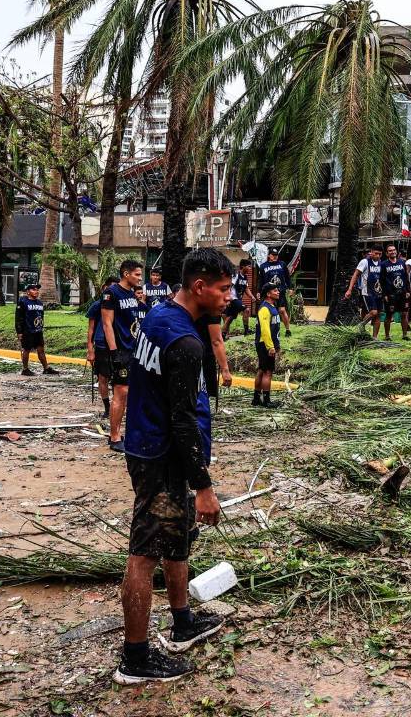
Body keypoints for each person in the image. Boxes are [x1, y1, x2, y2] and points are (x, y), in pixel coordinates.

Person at [114, 248, 234, 685]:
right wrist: (203, 485)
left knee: (177, 535)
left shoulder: (161, 315)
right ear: (199, 287)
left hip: (154, 446)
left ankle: (182, 622)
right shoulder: (183, 343)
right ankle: (136, 658)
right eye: (223, 289)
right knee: (145, 553)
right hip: (163, 455)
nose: (229, 297)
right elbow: (182, 418)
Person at [101, 260, 145, 453]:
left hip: (135, 349)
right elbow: (107, 324)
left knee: (132, 393)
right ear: (126, 274)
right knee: (121, 392)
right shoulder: (111, 293)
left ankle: (125, 433)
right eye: (137, 274)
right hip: (121, 351)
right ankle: (114, 436)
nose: (140, 278)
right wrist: (114, 352)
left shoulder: (131, 295)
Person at [87, 276, 121, 418]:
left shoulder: (121, 304)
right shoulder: (97, 306)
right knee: (103, 377)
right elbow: (91, 329)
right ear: (104, 288)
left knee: (120, 379)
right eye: (111, 288)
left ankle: (117, 405)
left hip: (119, 344)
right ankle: (107, 407)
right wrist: (90, 349)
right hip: (102, 345)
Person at [16, 282, 58, 376]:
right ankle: (25, 369)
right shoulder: (23, 302)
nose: (36, 291)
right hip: (27, 330)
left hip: (38, 330)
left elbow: (41, 315)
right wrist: (19, 331)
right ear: (28, 291)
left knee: (41, 349)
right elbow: (18, 318)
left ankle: (46, 368)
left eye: (37, 289)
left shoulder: (39, 303)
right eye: (33, 289)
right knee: (26, 349)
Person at [253, 283, 281, 408]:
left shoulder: (272, 306)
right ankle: (266, 400)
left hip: (268, 343)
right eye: (275, 290)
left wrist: (276, 344)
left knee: (262, 370)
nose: (278, 292)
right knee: (267, 372)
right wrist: (270, 346)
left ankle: (256, 398)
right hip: (264, 344)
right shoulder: (265, 308)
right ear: (268, 294)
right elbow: (265, 330)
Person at [345, 248, 383, 338]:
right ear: (371, 252)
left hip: (379, 292)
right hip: (367, 292)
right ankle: (361, 325)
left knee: (378, 315)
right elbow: (355, 275)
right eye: (376, 253)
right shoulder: (365, 262)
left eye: (380, 254)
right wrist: (349, 289)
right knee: (373, 312)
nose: (377, 256)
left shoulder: (381, 263)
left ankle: (375, 338)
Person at [379, 244, 411, 341]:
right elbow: (381, 280)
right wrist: (384, 294)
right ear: (387, 253)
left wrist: (408, 290)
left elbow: (406, 277)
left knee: (404, 314)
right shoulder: (384, 264)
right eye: (390, 251)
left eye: (394, 250)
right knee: (389, 315)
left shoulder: (402, 262)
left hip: (402, 292)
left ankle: (405, 335)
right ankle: (387, 336)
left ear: (396, 252)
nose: (392, 252)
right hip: (390, 294)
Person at [258, 248, 293, 336]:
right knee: (269, 311)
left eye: (276, 255)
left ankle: (288, 330)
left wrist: (290, 288)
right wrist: (259, 291)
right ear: (269, 255)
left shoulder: (282, 264)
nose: (275, 257)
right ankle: (271, 329)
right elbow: (260, 280)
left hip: (280, 290)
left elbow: (287, 277)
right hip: (268, 292)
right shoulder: (263, 266)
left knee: (282, 310)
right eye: (273, 255)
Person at [222, 259, 253, 338]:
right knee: (247, 309)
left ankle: (223, 334)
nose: (250, 268)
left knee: (230, 318)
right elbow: (229, 286)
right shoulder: (236, 275)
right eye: (249, 266)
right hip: (233, 299)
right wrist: (228, 298)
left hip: (238, 299)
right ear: (243, 267)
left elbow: (246, 288)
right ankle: (246, 331)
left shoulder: (245, 277)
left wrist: (252, 296)